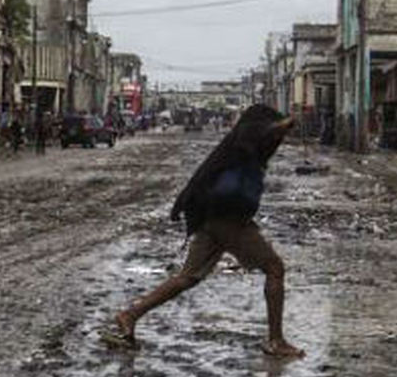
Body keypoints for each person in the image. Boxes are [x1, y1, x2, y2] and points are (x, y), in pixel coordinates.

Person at [106, 104, 303, 358]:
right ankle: (276, 341)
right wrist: (282, 125)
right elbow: (256, 132)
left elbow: (261, 136)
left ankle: (129, 315)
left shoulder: (246, 149)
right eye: (275, 132)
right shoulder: (244, 142)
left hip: (212, 217)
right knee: (275, 268)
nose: (279, 140)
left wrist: (282, 128)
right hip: (227, 218)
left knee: (188, 277)